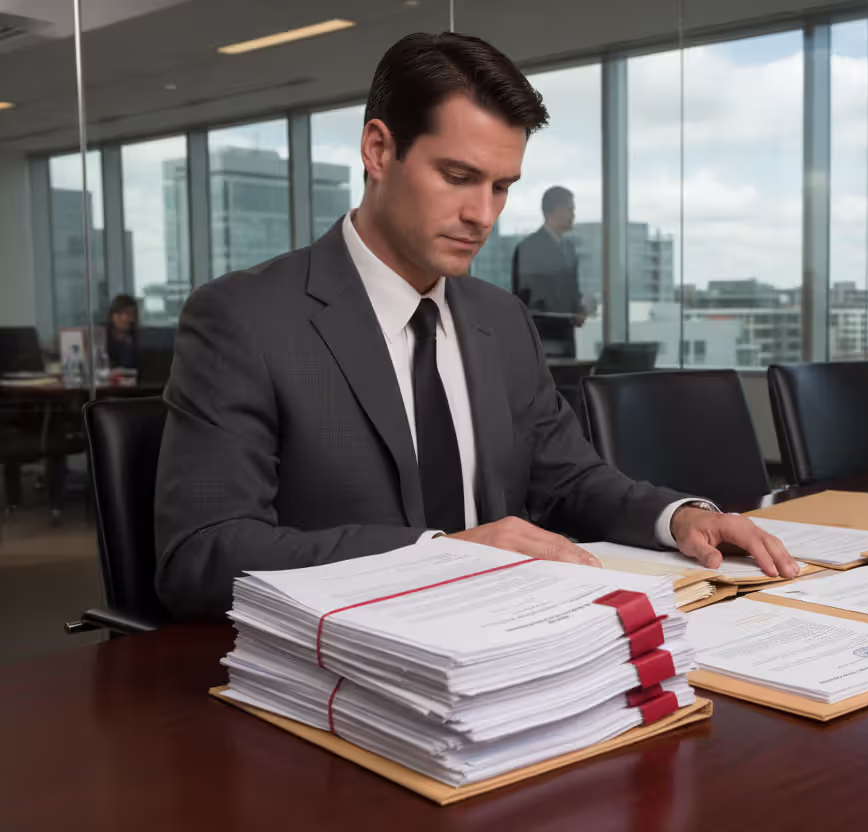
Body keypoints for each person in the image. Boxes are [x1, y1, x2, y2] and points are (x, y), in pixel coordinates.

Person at [154, 32, 797, 620]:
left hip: (511, 645)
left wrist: (677, 516)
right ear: (378, 150)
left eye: (502, 186)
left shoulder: (498, 318)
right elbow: (203, 552)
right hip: (350, 664)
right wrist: (443, 553)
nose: (482, 214)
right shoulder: (246, 318)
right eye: (457, 177)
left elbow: (568, 478)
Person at [512, 186, 584, 324]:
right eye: (570, 209)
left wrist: (579, 308)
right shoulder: (528, 249)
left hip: (566, 336)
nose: (573, 215)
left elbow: (570, 291)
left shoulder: (570, 249)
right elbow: (524, 300)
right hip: (542, 336)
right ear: (556, 211)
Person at [105, 294, 139, 370]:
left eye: (129, 313)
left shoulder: (137, 341)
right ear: (111, 316)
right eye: (120, 314)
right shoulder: (103, 338)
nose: (125, 318)